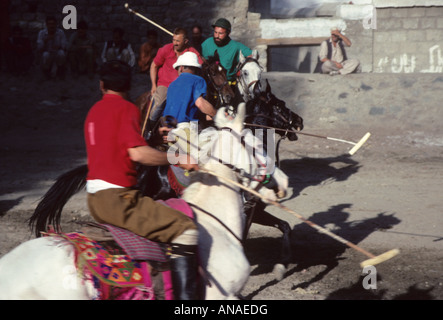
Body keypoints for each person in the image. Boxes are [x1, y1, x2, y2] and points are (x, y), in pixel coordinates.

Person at [84, 60, 200, 300]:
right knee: (186, 230)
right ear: (127, 86)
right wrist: (176, 158)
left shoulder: (94, 110)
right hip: (119, 201)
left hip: (94, 199)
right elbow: (137, 153)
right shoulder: (127, 109)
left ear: (102, 85)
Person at [149, 27, 202, 126]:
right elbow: (154, 65)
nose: (175, 43)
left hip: (183, 87)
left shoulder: (192, 52)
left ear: (185, 41)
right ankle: (150, 129)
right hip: (165, 84)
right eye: (173, 40)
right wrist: (153, 85)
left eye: (178, 41)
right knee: (158, 105)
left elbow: (200, 65)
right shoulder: (166, 49)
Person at [162, 51, 216, 126]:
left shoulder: (172, 85)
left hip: (168, 128)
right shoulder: (198, 80)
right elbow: (200, 103)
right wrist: (217, 115)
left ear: (181, 68)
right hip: (187, 128)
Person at [201, 18, 252, 82]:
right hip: (210, 83)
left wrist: (241, 69)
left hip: (228, 84)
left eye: (220, 33)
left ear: (228, 33)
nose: (217, 36)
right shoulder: (207, 43)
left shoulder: (236, 46)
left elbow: (252, 55)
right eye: (215, 32)